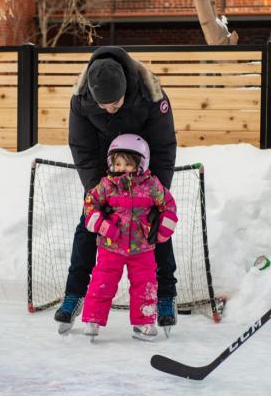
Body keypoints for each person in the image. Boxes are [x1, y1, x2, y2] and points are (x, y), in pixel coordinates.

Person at [55, 46, 179, 335]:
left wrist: (154, 196)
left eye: (115, 103)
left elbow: (163, 146)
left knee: (158, 231)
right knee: (86, 227)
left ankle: (165, 297)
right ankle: (74, 294)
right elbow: (82, 150)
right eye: (104, 105)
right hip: (105, 172)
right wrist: (101, 196)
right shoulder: (81, 99)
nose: (109, 109)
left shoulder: (151, 94)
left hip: (144, 169)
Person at [80, 134, 177, 341]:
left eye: (128, 164)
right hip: (110, 246)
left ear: (141, 164)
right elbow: (90, 204)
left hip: (143, 248)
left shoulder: (152, 185)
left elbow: (168, 204)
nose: (122, 168)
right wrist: (103, 226)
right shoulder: (106, 185)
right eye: (117, 163)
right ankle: (93, 319)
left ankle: (144, 322)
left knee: (146, 284)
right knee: (102, 281)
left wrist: (164, 230)